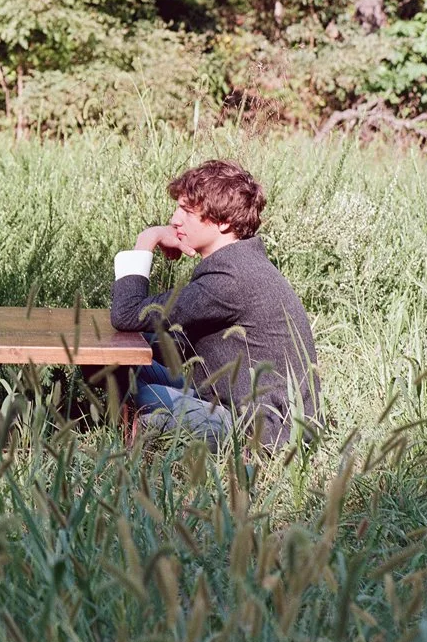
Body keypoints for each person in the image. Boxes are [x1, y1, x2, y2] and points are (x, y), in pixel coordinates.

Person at [110, 159, 319, 447]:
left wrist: (146, 240)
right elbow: (177, 347)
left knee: (142, 399)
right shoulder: (239, 263)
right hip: (230, 402)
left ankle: (131, 439)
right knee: (112, 364)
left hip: (264, 431)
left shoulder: (230, 277)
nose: (174, 220)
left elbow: (128, 313)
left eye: (187, 211)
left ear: (222, 222)